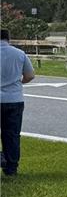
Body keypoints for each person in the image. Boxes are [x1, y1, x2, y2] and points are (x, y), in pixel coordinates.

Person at [1, 28, 35, 176]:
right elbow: (30, 75)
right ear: (8, 38)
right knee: (12, 134)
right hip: (14, 99)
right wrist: (20, 82)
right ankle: (11, 167)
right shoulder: (19, 54)